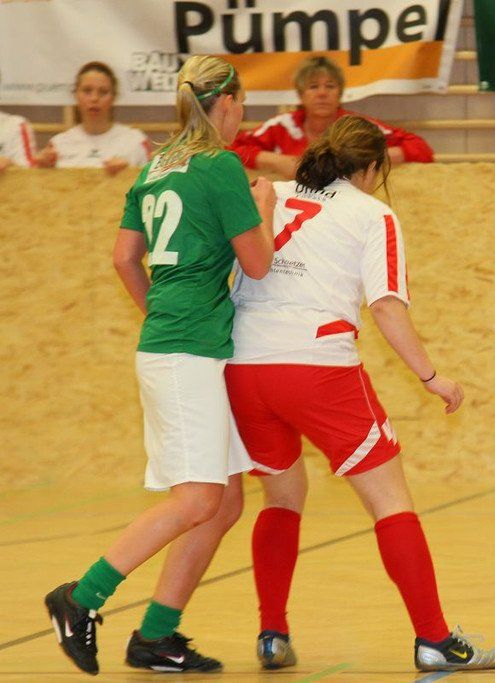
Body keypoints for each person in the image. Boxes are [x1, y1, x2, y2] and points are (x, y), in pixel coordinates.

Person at [224, 114, 495, 673]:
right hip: (316, 366)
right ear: (373, 167)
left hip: (245, 366)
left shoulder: (271, 193)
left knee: (282, 497)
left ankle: (272, 633)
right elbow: (386, 306)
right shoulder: (373, 214)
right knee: (390, 502)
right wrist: (431, 376)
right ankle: (434, 638)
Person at [43, 55, 276, 675]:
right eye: (242, 104)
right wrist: (266, 207)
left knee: (224, 501)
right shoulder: (221, 166)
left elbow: (124, 259)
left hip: (175, 342)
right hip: (187, 350)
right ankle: (81, 597)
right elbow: (257, 264)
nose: (241, 114)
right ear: (226, 102)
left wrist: (161, 315)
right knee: (199, 498)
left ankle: (155, 636)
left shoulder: (156, 167)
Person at [229, 55, 433, 178]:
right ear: (301, 95)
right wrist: (277, 162)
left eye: (330, 86)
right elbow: (232, 151)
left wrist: (366, 159)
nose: (322, 93)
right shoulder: (282, 126)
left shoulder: (357, 127)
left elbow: (421, 149)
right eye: (313, 87)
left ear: (340, 93)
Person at [35, 62, 150, 175]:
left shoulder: (135, 141)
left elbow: (152, 184)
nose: (94, 98)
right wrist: (42, 171)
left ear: (114, 97)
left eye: (103, 92)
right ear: (76, 95)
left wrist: (128, 173)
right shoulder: (58, 144)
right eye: (87, 91)